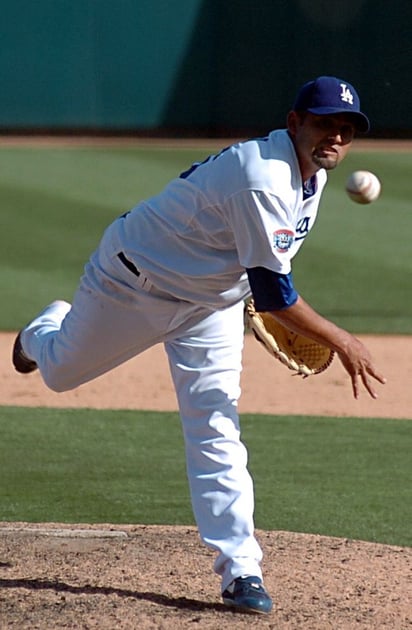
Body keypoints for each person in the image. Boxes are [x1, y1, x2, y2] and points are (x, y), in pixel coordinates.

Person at [12, 75, 386, 615]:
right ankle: (44, 330)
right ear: (294, 123)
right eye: (324, 123)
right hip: (132, 284)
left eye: (346, 130)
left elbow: (266, 269)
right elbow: (278, 294)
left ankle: (241, 570)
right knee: (59, 372)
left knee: (215, 422)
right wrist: (341, 339)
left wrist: (251, 297)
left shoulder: (313, 176)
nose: (334, 137)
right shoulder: (263, 175)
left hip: (209, 306)